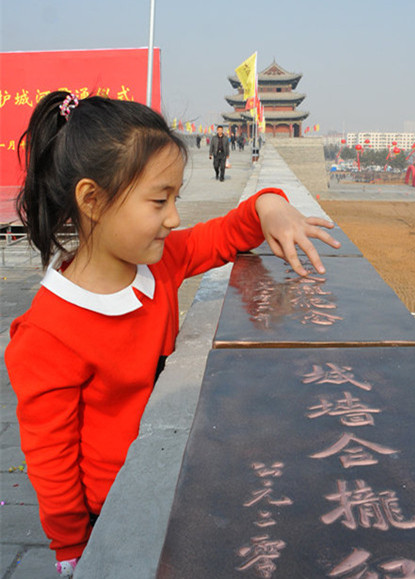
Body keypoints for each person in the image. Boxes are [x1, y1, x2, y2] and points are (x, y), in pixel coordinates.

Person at [5, 91, 340, 577]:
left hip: (180, 470)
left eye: (176, 198)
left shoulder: (156, 265)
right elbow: (52, 464)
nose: (174, 218)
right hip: (118, 507)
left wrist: (269, 204)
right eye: (160, 200)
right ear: (92, 200)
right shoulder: (47, 334)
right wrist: (72, 551)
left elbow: (222, 235)